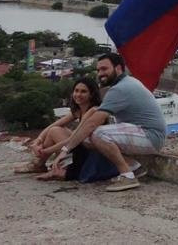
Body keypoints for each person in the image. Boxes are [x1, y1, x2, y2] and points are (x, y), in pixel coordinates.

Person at [40, 52, 167, 192]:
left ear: (118, 68)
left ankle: (127, 176)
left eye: (104, 69)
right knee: (87, 138)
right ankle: (133, 167)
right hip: (142, 133)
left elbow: (92, 123)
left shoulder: (120, 88)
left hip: (151, 136)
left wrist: (65, 150)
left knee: (98, 133)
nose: (100, 73)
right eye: (98, 70)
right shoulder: (126, 83)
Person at [19, 77, 102, 178]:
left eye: (83, 91)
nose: (78, 94)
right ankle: (39, 163)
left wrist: (45, 151)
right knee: (54, 129)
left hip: (88, 152)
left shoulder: (94, 111)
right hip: (77, 147)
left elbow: (74, 139)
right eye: (76, 91)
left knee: (55, 131)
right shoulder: (78, 111)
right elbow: (54, 125)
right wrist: (38, 140)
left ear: (91, 94)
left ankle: (40, 163)